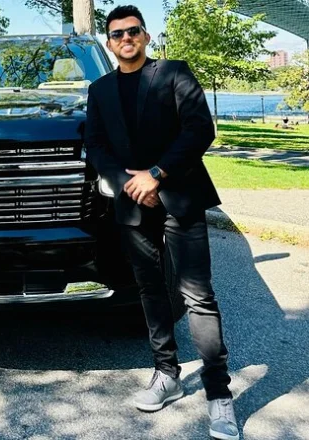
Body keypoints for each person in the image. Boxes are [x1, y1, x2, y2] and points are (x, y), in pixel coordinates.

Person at [84, 6, 239, 440]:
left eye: (133, 30)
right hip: (133, 205)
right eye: (117, 34)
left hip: (181, 197)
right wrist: (129, 184)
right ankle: (166, 373)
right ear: (109, 43)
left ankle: (219, 393)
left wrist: (156, 174)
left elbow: (199, 129)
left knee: (198, 296)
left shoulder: (174, 73)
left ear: (146, 36)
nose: (126, 38)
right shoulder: (99, 89)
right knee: (150, 290)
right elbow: (96, 145)